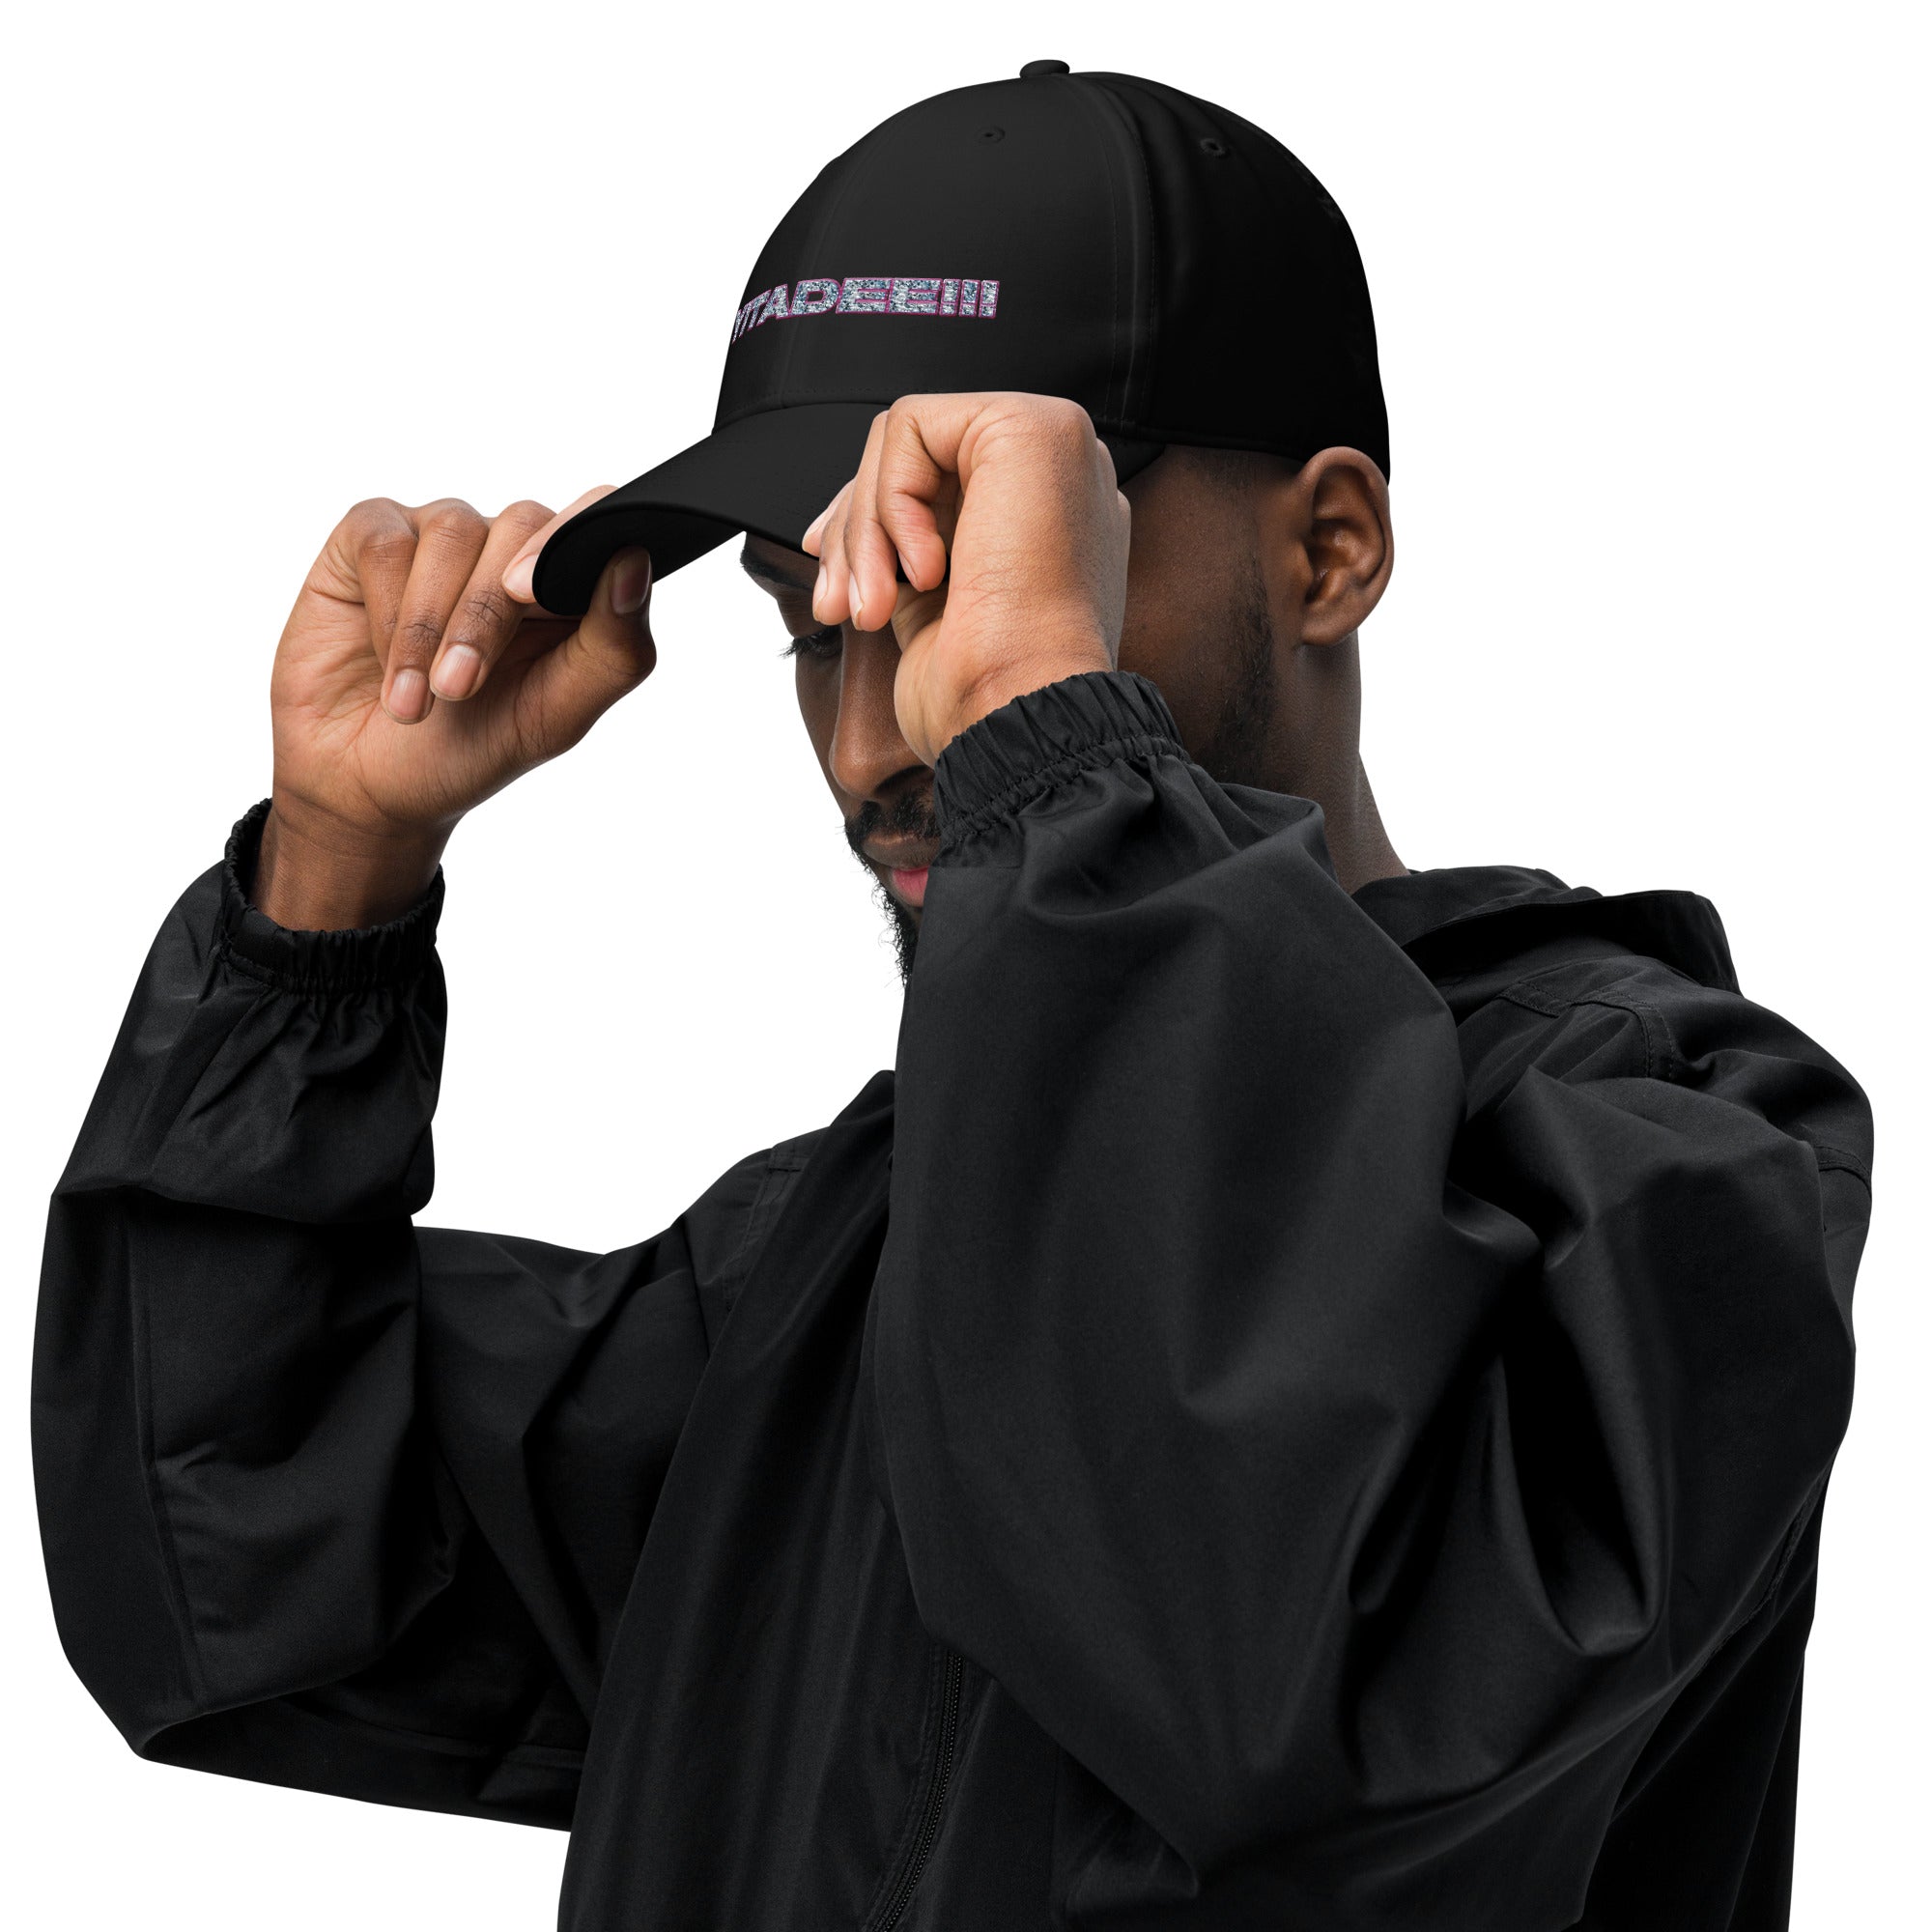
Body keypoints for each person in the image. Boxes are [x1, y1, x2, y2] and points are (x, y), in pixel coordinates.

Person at [33, 63, 1871, 1932]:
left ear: (1330, 550)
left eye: (955, 581)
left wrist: (1042, 735)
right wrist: (330, 889)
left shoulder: (1667, 1148)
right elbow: (236, 1585)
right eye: (807, 619)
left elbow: (1298, 1694)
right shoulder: (848, 1254)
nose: (865, 743)